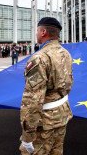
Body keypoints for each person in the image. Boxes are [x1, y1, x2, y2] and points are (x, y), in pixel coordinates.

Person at [20, 17, 73, 155]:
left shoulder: (40, 57)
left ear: (43, 32)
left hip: (44, 121)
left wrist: (27, 135)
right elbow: (68, 84)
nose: (36, 34)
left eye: (37, 31)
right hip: (61, 114)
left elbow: (33, 99)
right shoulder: (65, 53)